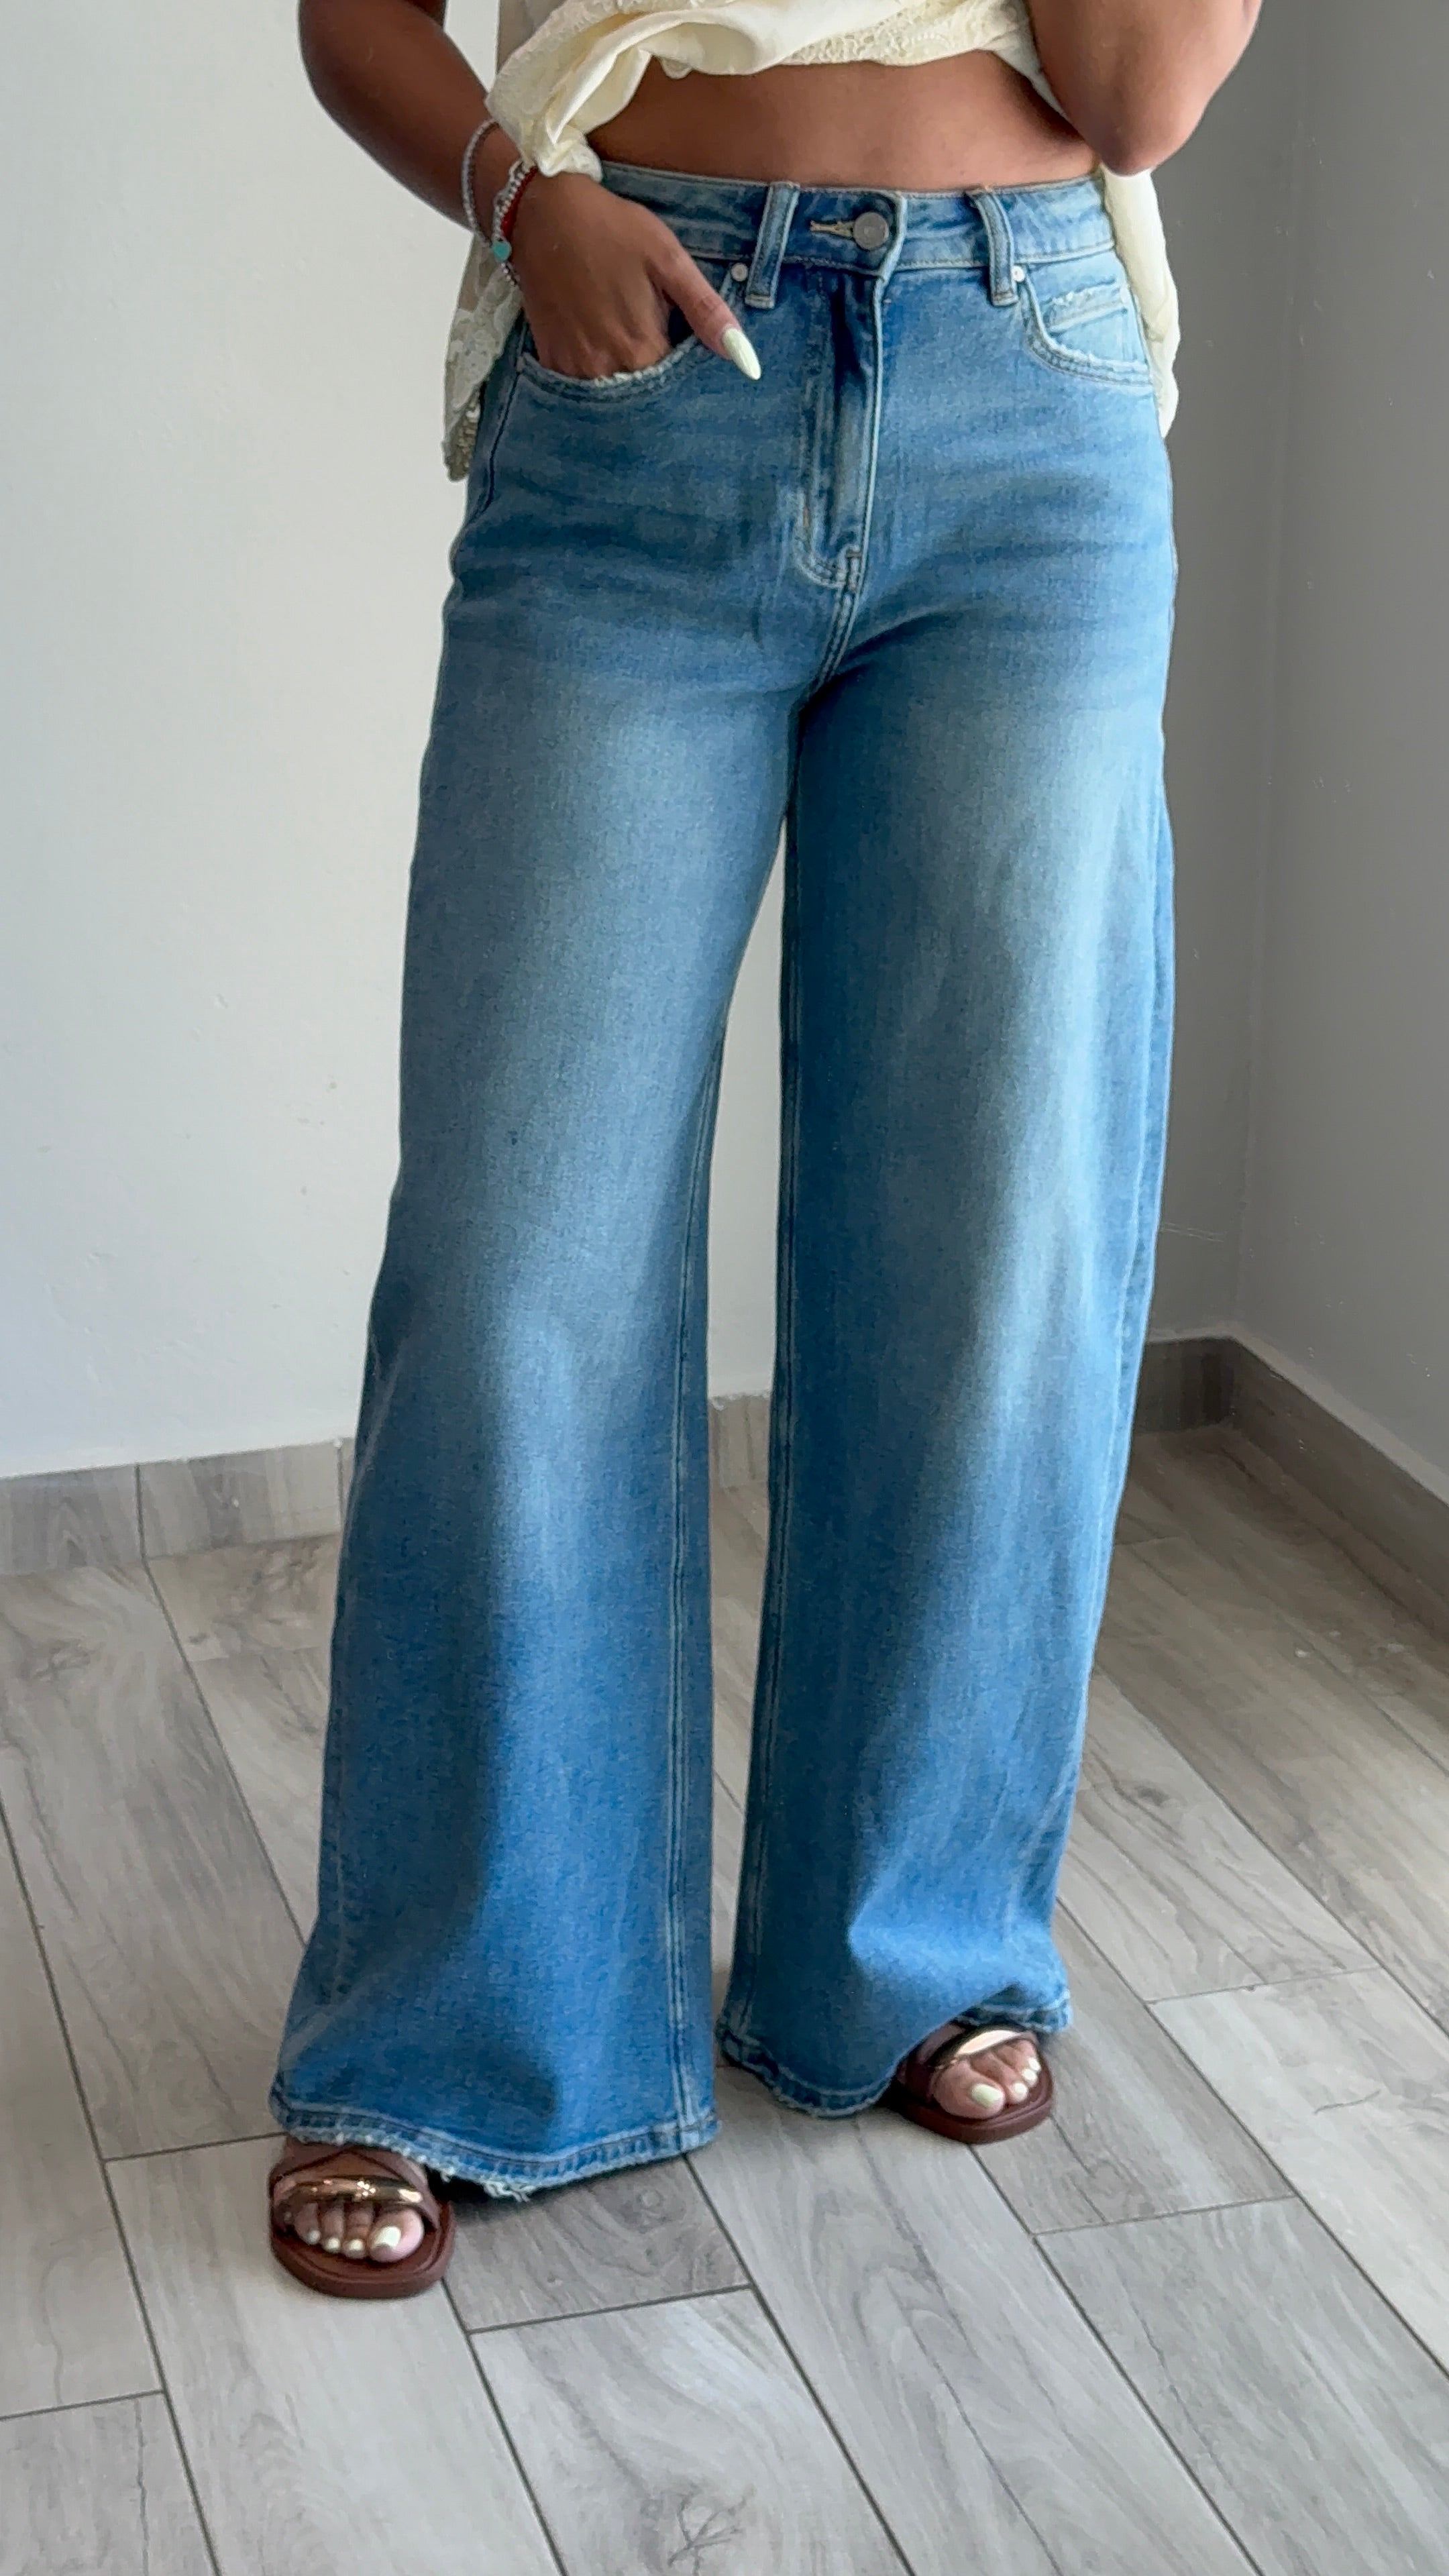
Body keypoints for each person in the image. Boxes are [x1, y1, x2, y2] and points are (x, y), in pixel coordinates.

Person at [266, 0, 1260, 2296]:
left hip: (1031, 396)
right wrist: (522, 204)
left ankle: (906, 1949)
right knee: (518, 1265)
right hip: (636, 370)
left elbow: (1135, 95)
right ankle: (463, 2030)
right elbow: (348, 19)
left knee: (987, 1252)